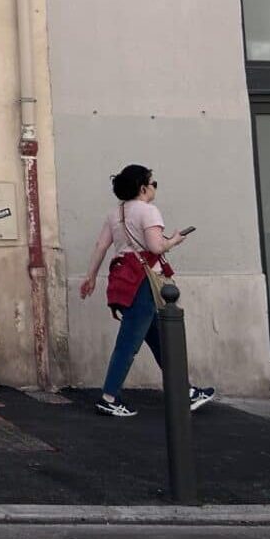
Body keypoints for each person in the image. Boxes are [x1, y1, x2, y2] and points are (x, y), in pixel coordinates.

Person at [79, 164, 215, 417]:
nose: (154, 188)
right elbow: (155, 247)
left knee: (160, 341)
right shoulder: (149, 212)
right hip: (142, 282)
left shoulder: (116, 213)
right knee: (128, 342)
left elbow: (101, 246)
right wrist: (173, 240)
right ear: (142, 187)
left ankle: (185, 390)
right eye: (153, 183)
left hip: (124, 278)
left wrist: (91, 277)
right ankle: (109, 397)